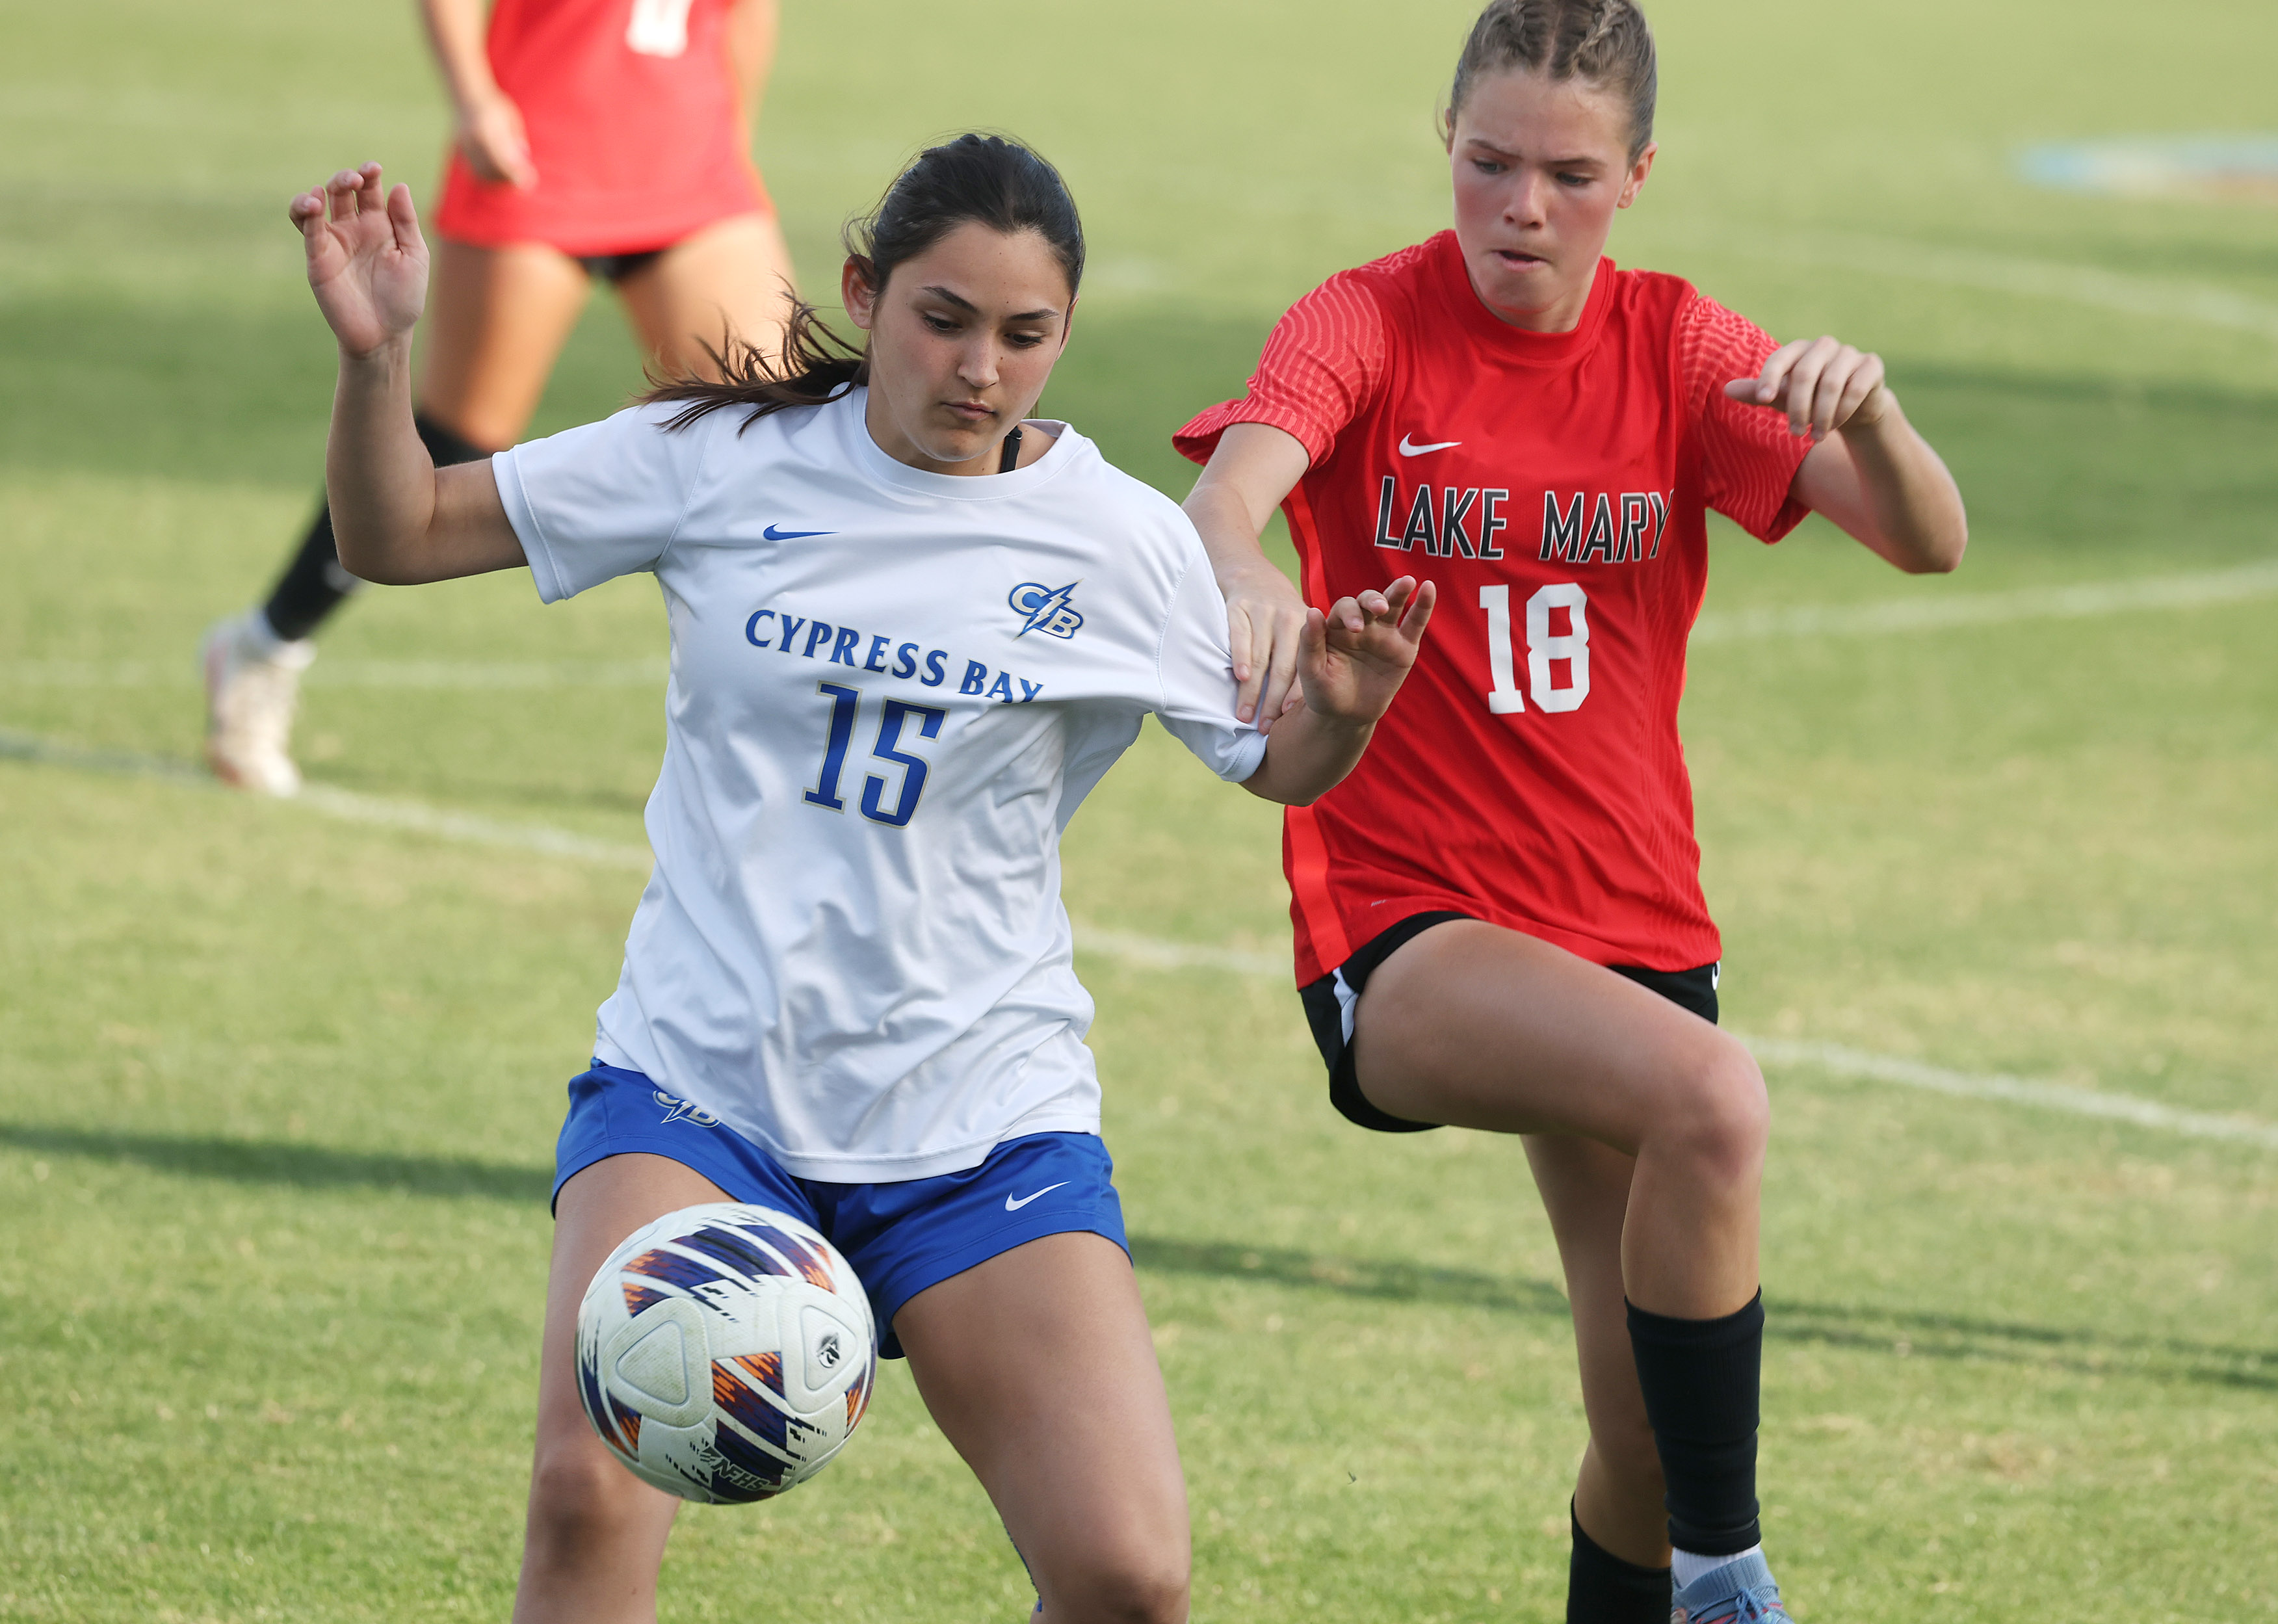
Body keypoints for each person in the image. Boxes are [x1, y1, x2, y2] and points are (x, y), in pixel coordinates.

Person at [290, 135, 1434, 1622]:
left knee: (1129, 1575)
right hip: (701, 1088)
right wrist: (376, 357)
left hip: (976, 1118)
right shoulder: (718, 456)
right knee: (587, 1493)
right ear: (863, 292)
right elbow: (394, 533)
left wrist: (1344, 710)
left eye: (1024, 333)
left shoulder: (1119, 544)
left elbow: (1274, 762)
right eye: (943, 318)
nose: (980, 368)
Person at [1173, 3, 1967, 1620]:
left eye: (1569, 175)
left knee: (1643, 1445)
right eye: (1488, 162)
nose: (1520, 206)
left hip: (1635, 922)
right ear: (1446, 145)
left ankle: (1687, 1549)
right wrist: (1246, 567)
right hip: (1411, 922)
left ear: (1637, 178)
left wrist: (1872, 415)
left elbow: (1926, 537)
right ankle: (1735, 1584)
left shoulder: (1679, 344)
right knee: (1714, 1100)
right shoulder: (1363, 320)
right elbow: (1222, 500)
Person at [203, 0, 796, 795]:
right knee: (455, 441)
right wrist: (474, 97)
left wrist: (731, 137)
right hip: (537, 153)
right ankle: (264, 646)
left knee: (777, 440)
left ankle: (791, 727)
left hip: (689, 164)